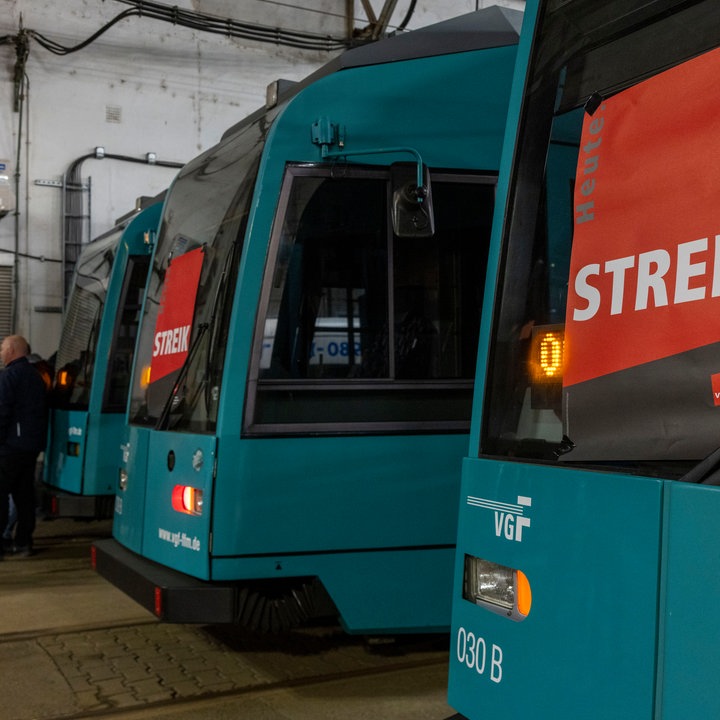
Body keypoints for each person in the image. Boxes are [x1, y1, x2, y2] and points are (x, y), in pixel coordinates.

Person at [0, 335, 48, 557]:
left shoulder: (10, 376)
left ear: (11, 350)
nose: (1, 353)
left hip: (10, 447)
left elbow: (2, 412)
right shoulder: (36, 376)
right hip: (30, 447)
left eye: (2, 348)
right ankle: (24, 542)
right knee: (24, 495)